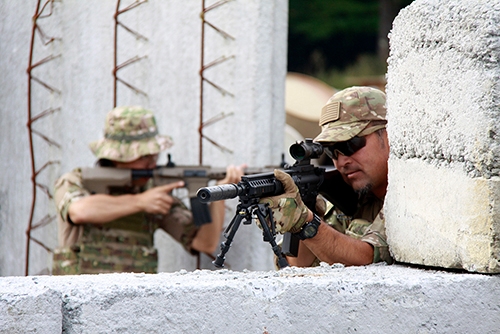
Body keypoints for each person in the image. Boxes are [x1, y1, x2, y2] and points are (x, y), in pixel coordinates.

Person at [52, 106, 244, 274]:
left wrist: (220, 194)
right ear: (116, 154)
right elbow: (79, 211)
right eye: (143, 154)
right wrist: (140, 202)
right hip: (79, 300)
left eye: (154, 154)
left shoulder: (154, 194)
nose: (152, 161)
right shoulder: (75, 181)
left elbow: (205, 243)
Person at [261, 86, 393, 268]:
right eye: (332, 151)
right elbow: (297, 266)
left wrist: (305, 222)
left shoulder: (408, 194)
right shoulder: (351, 197)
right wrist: (301, 215)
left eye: (350, 144)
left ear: (389, 136)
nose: (342, 161)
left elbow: (366, 258)